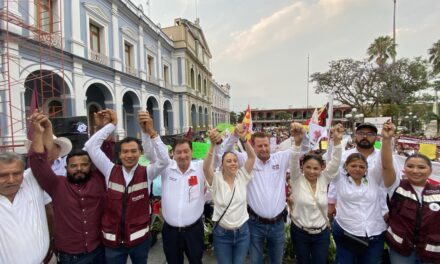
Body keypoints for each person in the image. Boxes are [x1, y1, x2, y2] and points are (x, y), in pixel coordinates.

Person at [84, 109, 169, 264]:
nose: (129, 155)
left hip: (139, 241)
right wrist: (112, 125)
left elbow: (164, 160)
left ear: (140, 153)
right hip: (113, 242)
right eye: (125, 152)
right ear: (119, 155)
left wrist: (150, 132)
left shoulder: (147, 172)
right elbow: (90, 146)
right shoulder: (109, 170)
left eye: (133, 151)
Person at [28, 111, 106, 263]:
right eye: (73, 166)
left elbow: (101, 151)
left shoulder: (98, 180)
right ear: (66, 167)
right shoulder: (57, 185)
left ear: (91, 166)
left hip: (98, 250)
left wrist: (100, 127)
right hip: (70, 256)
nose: (78, 169)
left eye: (83, 165)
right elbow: (38, 162)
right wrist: (39, 132)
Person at [222, 124, 292, 264]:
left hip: (278, 223)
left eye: (266, 145)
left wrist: (302, 135)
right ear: (253, 146)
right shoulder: (246, 159)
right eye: (260, 146)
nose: (264, 149)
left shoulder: (281, 158)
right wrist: (235, 135)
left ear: (270, 145)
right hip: (255, 223)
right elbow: (226, 151)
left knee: (277, 261)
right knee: (255, 260)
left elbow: (303, 149)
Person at [149, 133, 220, 264]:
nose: (182, 155)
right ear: (173, 154)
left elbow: (216, 161)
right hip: (170, 232)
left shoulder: (200, 167)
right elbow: (151, 156)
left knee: (196, 260)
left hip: (194, 230)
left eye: (186, 151)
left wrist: (216, 143)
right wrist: (151, 134)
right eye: (178, 152)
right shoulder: (166, 167)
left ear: (191, 152)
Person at [381, 121, 440, 263]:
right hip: (401, 250)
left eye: (421, 167)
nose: (415, 171)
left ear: (430, 171)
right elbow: (387, 166)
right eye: (410, 166)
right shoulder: (396, 186)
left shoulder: (438, 191)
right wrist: (386, 139)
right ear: (404, 169)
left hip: (431, 252)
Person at [289, 123, 344, 264]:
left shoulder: (323, 179)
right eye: (308, 167)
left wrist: (337, 142)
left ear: (321, 169)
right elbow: (293, 159)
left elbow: (336, 163)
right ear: (302, 167)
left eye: (315, 168)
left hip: (321, 234)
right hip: (300, 233)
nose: (311, 171)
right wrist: (297, 143)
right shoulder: (297, 179)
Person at [203, 126, 256, 264]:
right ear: (222, 165)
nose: (233, 163)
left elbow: (252, 157)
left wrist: (243, 138)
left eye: (235, 160)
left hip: (243, 233)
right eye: (228, 161)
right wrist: (213, 146)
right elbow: (205, 167)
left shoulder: (242, 176)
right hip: (222, 235)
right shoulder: (216, 179)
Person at [331, 151, 388, 263]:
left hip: (374, 233)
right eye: (353, 166)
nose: (357, 169)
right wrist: (335, 141)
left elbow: (383, 162)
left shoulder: (374, 179)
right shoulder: (339, 180)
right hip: (347, 232)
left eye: (362, 166)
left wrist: (387, 140)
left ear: (367, 168)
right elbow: (331, 161)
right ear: (346, 166)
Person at [0, 152, 50, 263]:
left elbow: (50, 153)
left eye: (17, 173)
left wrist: (40, 134)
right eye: (3, 175)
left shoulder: (31, 181)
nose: (11, 180)